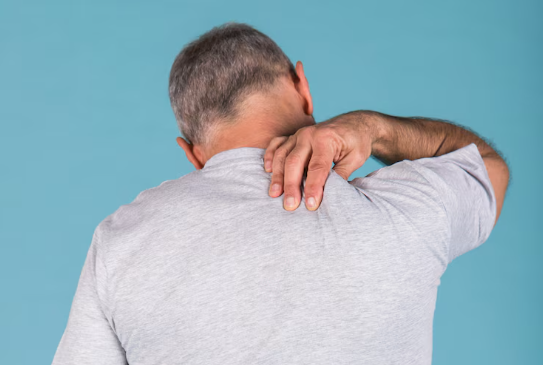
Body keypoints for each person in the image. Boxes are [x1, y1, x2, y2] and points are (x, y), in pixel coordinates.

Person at [52, 22, 510, 365]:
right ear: (303, 88)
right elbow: (487, 166)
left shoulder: (122, 242)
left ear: (191, 153)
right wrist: (373, 127)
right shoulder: (399, 210)